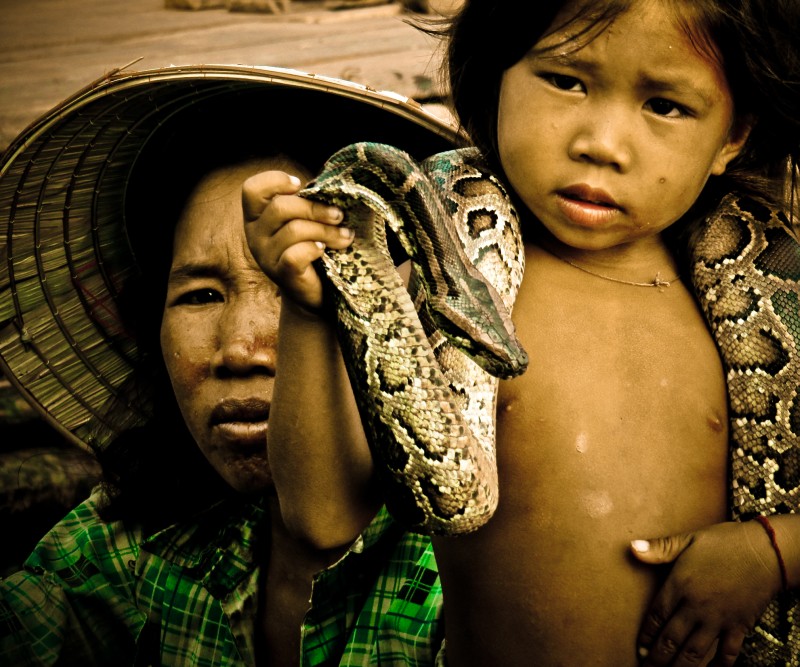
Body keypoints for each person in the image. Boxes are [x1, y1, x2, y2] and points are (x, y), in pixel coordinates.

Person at [244, 1, 800, 665]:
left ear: (731, 137)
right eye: (568, 81)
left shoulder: (766, 293)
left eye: (664, 105)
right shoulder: (440, 283)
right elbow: (321, 518)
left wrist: (774, 548)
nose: (601, 142)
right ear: (495, 80)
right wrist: (313, 307)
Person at [0, 64, 458, 665]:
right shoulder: (134, 540)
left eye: (301, 288)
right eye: (200, 296)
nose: (241, 349)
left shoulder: (470, 574)